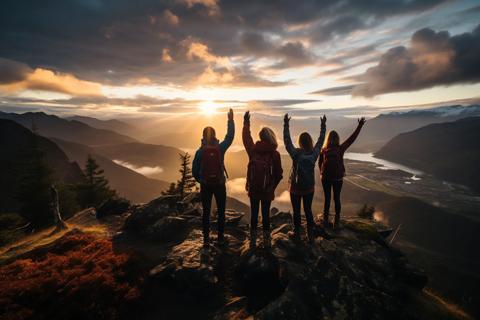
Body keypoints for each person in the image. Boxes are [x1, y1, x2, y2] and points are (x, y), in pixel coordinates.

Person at [192, 108, 235, 249]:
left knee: (206, 212)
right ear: (215, 136)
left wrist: (203, 180)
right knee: (221, 211)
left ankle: (205, 239)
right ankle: (221, 238)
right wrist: (230, 121)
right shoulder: (220, 148)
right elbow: (230, 137)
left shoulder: (199, 152)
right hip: (219, 184)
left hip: (205, 185)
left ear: (203, 136)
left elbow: (194, 171)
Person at [284, 113, 326, 243]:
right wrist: (323, 125)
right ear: (310, 142)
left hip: (295, 188)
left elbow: (287, 142)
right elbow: (321, 140)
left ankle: (296, 234)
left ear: (300, 142)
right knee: (308, 210)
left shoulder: (296, 154)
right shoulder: (314, 154)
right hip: (309, 188)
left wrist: (286, 124)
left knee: (296, 211)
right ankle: (310, 235)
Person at [243, 111, 283, 248]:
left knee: (254, 215)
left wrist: (246, 123)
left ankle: (252, 243)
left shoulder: (253, 150)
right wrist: (272, 187)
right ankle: (267, 243)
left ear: (260, 137)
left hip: (254, 189)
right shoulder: (275, 154)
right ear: (271, 137)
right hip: (267, 191)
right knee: (265, 216)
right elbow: (279, 174)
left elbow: (246, 139)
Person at [319, 117, 366, 230]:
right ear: (337, 139)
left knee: (327, 198)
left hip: (325, 177)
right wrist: (360, 125)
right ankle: (337, 220)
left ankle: (325, 219)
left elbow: (320, 163)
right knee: (337, 198)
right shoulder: (340, 149)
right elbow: (352, 139)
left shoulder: (324, 150)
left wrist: (322, 173)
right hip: (338, 178)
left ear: (328, 139)